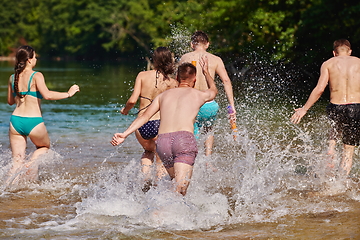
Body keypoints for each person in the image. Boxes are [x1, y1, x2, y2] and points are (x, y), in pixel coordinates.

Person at [111, 56, 217, 196]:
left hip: (163, 142)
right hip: (183, 140)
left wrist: (125, 134)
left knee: (174, 182)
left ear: (177, 77)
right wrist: (206, 72)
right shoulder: (198, 95)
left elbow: (144, 117)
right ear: (195, 79)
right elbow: (214, 90)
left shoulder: (163, 96)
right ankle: (158, 213)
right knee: (180, 189)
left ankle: (156, 206)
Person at [6, 45, 80, 185]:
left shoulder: (12, 77)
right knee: (43, 148)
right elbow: (48, 95)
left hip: (15, 121)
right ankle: (31, 165)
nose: (36, 59)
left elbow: (10, 101)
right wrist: (68, 93)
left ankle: (6, 189)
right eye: (35, 57)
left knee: (17, 161)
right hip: (34, 121)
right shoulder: (36, 75)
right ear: (29, 60)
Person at [290, 39, 360, 176]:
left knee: (335, 126)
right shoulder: (358, 62)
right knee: (348, 151)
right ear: (350, 51)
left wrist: (304, 109)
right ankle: (340, 185)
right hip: (355, 108)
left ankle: (331, 148)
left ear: (334, 53)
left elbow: (320, 89)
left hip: (335, 106)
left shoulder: (328, 63)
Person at [120, 47, 178, 188]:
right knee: (160, 156)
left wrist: (125, 110)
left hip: (142, 125)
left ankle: (145, 180)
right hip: (162, 124)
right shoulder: (173, 83)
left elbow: (133, 100)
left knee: (147, 151)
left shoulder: (142, 75)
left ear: (155, 60)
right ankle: (158, 187)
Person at [179, 30, 236, 156]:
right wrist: (232, 105)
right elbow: (226, 80)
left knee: (189, 132)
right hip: (209, 104)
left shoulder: (185, 58)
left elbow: (178, 81)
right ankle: (208, 160)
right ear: (207, 44)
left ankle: (190, 160)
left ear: (192, 45)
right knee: (209, 131)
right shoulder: (216, 59)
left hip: (191, 104)